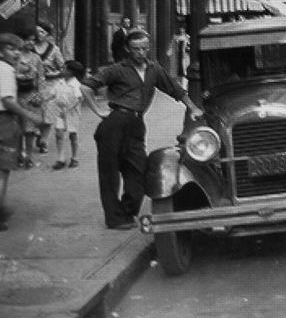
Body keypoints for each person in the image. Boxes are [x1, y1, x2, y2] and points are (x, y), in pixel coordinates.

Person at [80, 29, 203, 230]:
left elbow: (175, 89)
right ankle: (115, 218)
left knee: (138, 171)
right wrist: (99, 111)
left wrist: (193, 108)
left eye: (145, 48)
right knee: (109, 172)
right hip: (115, 122)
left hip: (137, 124)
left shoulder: (154, 69)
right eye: (136, 49)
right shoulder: (117, 69)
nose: (141, 53)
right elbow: (86, 87)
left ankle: (128, 212)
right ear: (128, 49)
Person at [0, 33, 44, 231]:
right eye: (11, 49)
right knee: (2, 172)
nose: (17, 53)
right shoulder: (6, 70)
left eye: (19, 49)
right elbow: (8, 101)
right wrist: (30, 115)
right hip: (4, 122)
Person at [32, 21, 65, 155]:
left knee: (48, 115)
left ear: (47, 35)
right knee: (35, 113)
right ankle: (38, 132)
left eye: (42, 32)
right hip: (33, 86)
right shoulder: (30, 47)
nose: (38, 34)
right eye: (37, 31)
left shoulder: (54, 49)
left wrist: (55, 73)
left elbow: (63, 68)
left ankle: (44, 141)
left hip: (50, 86)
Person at [14, 39, 43, 167]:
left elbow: (41, 78)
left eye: (33, 40)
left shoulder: (36, 58)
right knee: (19, 128)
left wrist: (40, 95)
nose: (30, 42)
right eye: (27, 39)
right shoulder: (15, 56)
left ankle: (29, 158)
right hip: (17, 95)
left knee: (30, 129)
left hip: (31, 96)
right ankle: (20, 155)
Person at [51, 60, 85, 169]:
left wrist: (69, 109)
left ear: (71, 72)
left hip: (72, 113)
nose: (62, 70)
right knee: (59, 133)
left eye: (65, 68)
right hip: (60, 112)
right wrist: (41, 99)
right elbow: (52, 94)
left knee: (73, 135)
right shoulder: (59, 82)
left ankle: (74, 158)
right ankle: (61, 158)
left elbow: (79, 99)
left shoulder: (76, 84)